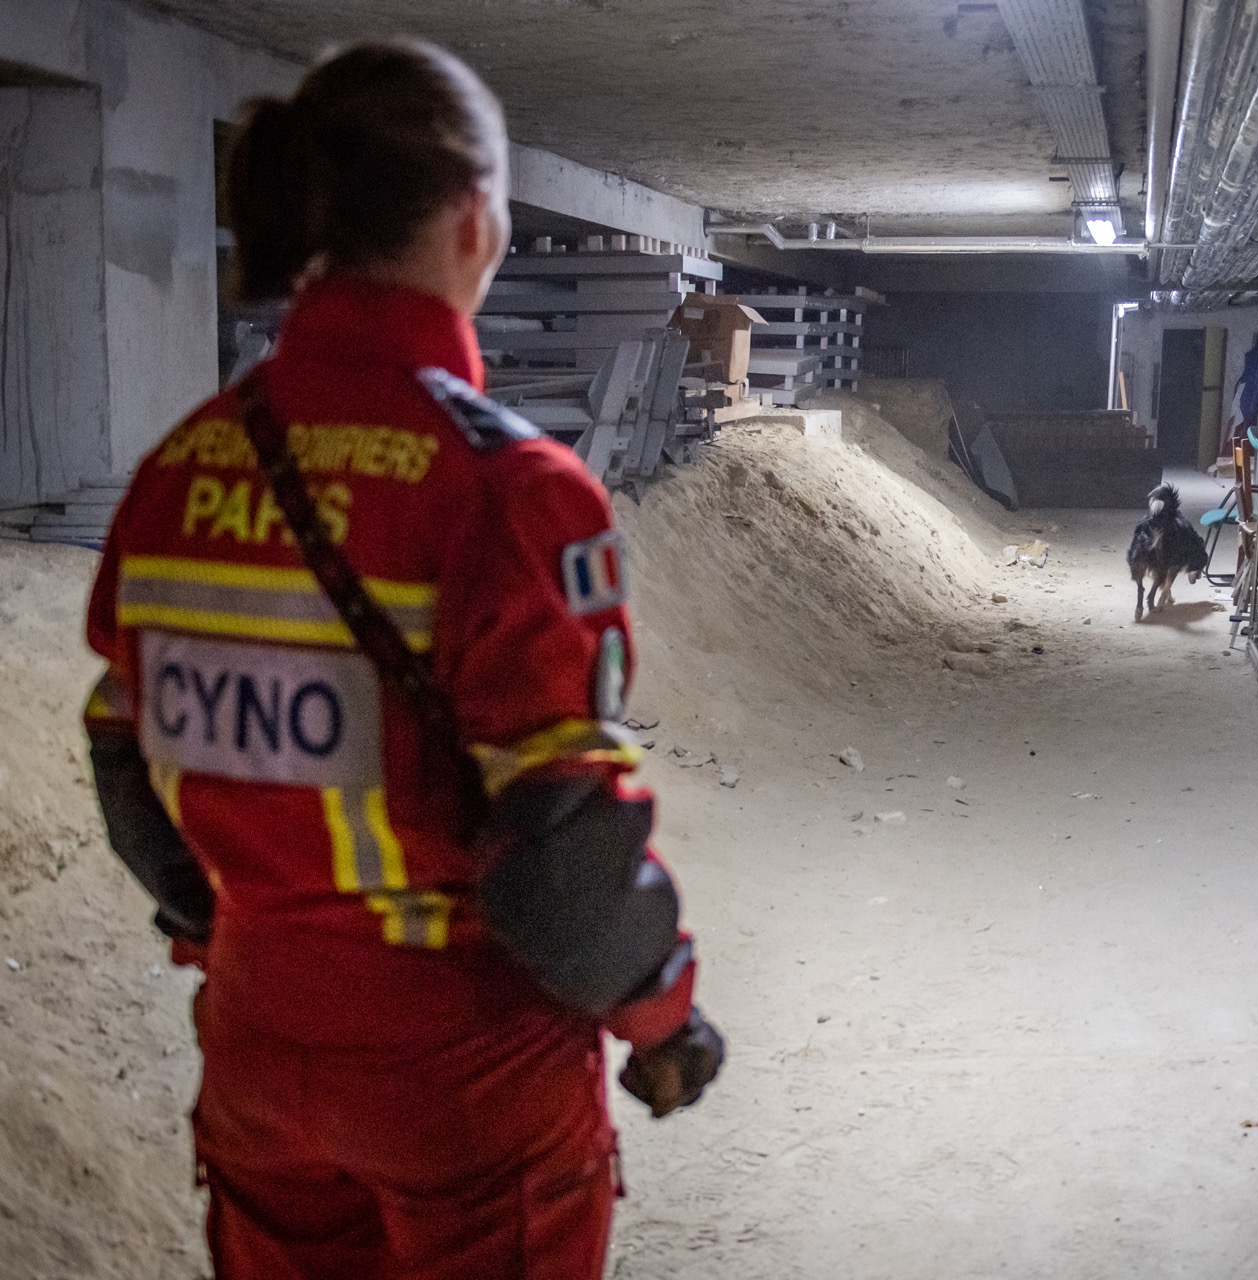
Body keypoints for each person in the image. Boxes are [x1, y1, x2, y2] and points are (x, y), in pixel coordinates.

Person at [81, 40, 722, 1279]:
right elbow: (561, 836)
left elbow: (121, 743)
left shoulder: (181, 469)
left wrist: (236, 930)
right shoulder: (508, 487)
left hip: (258, 1056)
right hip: (466, 1088)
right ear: (477, 220)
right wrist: (661, 1014)